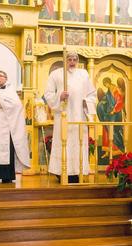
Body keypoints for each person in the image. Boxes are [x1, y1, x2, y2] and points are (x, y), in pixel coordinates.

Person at [44, 51, 96, 183]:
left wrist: (86, 101)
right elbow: (48, 94)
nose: (72, 62)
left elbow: (92, 94)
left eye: (74, 59)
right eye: (69, 59)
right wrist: (59, 97)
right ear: (65, 60)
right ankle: (61, 171)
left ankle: (78, 171)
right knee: (64, 142)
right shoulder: (56, 74)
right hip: (63, 115)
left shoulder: (83, 74)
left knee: (78, 143)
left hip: (79, 117)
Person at [97, 77, 124, 158]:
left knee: (114, 132)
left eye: (106, 84)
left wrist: (114, 110)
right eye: (104, 85)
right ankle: (108, 151)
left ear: (108, 82)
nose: (106, 86)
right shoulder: (108, 91)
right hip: (109, 115)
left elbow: (119, 101)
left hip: (115, 115)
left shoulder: (115, 90)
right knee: (106, 131)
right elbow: (106, 100)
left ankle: (118, 150)